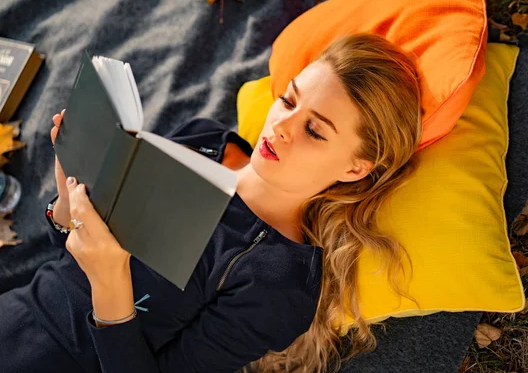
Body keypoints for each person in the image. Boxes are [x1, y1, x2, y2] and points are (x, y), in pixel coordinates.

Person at [0, 32, 422, 373]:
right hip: (17, 313)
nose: (281, 127)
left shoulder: (278, 281)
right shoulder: (207, 142)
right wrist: (69, 195)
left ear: (354, 168)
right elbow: (68, 261)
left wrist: (111, 282)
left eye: (315, 130)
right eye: (289, 101)